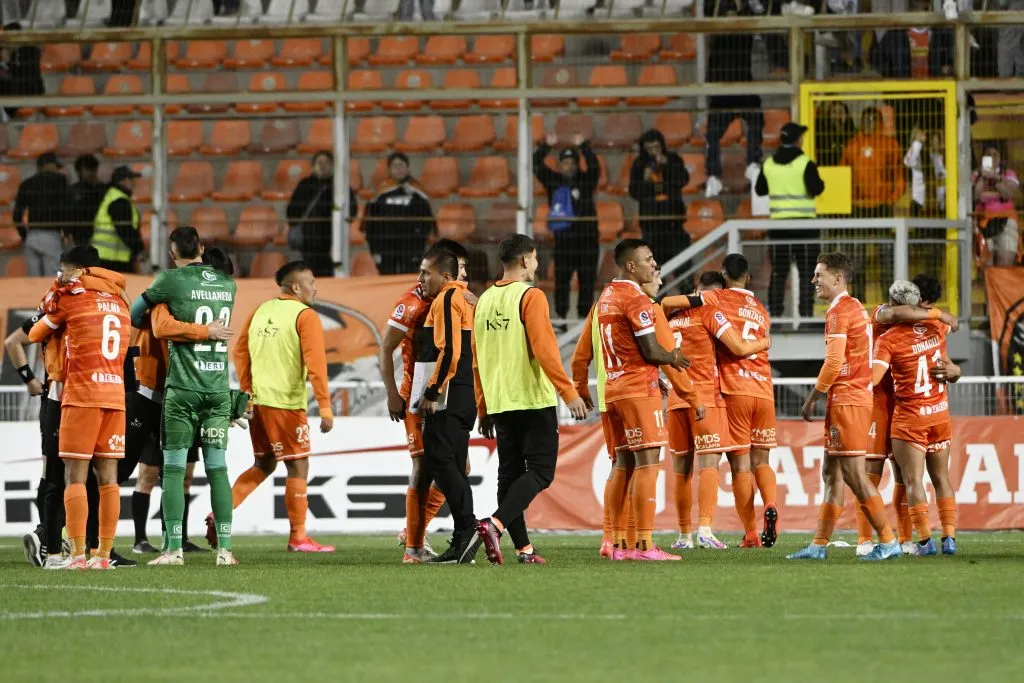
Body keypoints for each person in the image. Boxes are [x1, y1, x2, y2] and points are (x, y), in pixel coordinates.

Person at [473, 235, 588, 565]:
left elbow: (477, 359)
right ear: (525, 261)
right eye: (536, 259)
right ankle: (494, 524)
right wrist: (568, 393)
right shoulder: (530, 296)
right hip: (531, 399)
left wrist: (483, 405)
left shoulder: (483, 302)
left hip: (499, 401)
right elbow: (545, 350)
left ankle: (523, 549)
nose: (537, 265)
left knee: (509, 477)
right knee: (540, 472)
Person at [131, 226, 239, 567]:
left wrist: (159, 306)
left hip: (183, 390)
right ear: (203, 248)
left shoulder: (170, 280)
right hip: (218, 390)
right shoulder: (228, 285)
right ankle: (224, 550)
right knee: (218, 469)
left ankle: (173, 550)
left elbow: (136, 313)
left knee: (174, 471)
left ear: (171, 253)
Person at [788, 252, 901, 561]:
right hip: (848, 398)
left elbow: (835, 361)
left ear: (837, 279)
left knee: (853, 474)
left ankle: (889, 541)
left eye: (818, 275)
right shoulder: (855, 308)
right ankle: (819, 545)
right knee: (831, 473)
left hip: (849, 399)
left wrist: (813, 396)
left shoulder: (840, 311)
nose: (813, 281)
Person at [662, 254, 779, 547]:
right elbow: (739, 347)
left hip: (686, 396)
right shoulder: (747, 310)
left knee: (682, 469)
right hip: (735, 392)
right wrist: (765, 343)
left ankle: (684, 535)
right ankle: (716, 527)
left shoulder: (679, 314)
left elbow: (662, 308)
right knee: (733, 463)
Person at [28, 250, 131, 570]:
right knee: (109, 480)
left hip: (81, 395)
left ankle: (77, 556)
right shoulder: (121, 301)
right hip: (115, 397)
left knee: (74, 476)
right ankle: (103, 555)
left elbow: (33, 334)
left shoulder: (72, 299)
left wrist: (60, 287)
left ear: (74, 270)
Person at [222, 261, 335, 553]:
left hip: (257, 402)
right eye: (311, 281)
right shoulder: (305, 315)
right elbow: (316, 363)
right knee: (298, 466)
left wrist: (247, 391)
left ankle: (220, 515)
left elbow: (239, 350)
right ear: (296, 287)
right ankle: (298, 537)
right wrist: (325, 406)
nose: (315, 287)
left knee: (264, 464)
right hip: (285, 403)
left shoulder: (261, 310)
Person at [380, 239, 472, 563]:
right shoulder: (413, 303)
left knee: (459, 466)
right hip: (417, 396)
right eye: (458, 270)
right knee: (423, 466)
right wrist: (393, 394)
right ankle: (413, 548)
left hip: (443, 393)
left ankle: (415, 532)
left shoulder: (453, 299)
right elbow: (385, 347)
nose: (463, 277)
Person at [598, 239, 689, 561]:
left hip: (613, 389)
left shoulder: (607, 295)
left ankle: (618, 542)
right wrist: (673, 357)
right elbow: (651, 351)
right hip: (638, 391)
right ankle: (644, 545)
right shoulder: (636, 298)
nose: (654, 264)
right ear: (631, 265)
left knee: (623, 464)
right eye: (648, 259)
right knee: (649, 465)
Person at [855, 278, 958, 556]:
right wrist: (939, 314)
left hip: (902, 403)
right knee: (871, 471)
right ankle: (865, 540)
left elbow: (873, 375)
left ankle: (908, 539)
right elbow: (899, 313)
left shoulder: (892, 338)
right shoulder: (883, 313)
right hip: (881, 402)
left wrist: (955, 371)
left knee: (905, 477)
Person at [413, 248, 479, 564]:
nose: (421, 278)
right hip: (462, 391)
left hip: (450, 393)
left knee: (440, 459)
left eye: (426, 272)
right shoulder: (460, 298)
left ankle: (468, 528)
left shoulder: (449, 299)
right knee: (453, 463)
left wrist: (432, 390)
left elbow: (450, 350)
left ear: (446, 276)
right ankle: (464, 536)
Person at [755, 122, 826, 320]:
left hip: (779, 228)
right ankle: (805, 316)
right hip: (805, 228)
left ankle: (775, 317)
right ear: (798, 140)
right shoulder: (805, 162)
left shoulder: (769, 163)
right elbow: (816, 188)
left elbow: (760, 190)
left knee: (779, 273)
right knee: (807, 273)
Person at [533, 132, 600, 322]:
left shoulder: (586, 181)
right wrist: (546, 146)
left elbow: (595, 167)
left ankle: (582, 321)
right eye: (565, 163)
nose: (569, 166)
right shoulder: (553, 181)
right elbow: (535, 164)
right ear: (560, 164)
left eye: (572, 162)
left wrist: (584, 148)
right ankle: (561, 320)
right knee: (561, 282)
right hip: (563, 242)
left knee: (586, 282)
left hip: (588, 241)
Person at [839, 107, 904, 297]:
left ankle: (888, 298)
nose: (869, 123)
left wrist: (891, 198)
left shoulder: (889, 144)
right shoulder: (852, 144)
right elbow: (844, 173)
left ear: (879, 122)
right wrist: (848, 200)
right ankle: (858, 297)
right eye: (866, 119)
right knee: (857, 256)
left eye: (874, 119)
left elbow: (898, 174)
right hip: (858, 207)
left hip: (881, 207)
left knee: (886, 254)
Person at [703, 0, 763, 199]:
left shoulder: (743, 33)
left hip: (743, 87)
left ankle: (753, 162)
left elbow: (750, 12)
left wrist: (739, 6)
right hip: (721, 91)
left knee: (756, 117)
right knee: (712, 133)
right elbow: (708, 11)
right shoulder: (717, 33)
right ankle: (713, 176)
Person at [363, 152, 437, 276]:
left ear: (408, 168)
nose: (398, 169)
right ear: (389, 170)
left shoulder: (418, 192)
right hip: (386, 246)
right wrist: (374, 248)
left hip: (411, 246)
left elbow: (427, 220)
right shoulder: (380, 193)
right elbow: (371, 223)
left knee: (408, 280)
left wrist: (419, 241)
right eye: (394, 166)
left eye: (401, 165)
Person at [286, 151, 356, 278]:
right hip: (308, 240)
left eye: (326, 163)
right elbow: (292, 209)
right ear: (313, 166)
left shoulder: (340, 186)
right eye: (320, 162)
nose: (323, 166)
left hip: (332, 239)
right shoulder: (304, 185)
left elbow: (352, 209)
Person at [628, 129, 690, 270]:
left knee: (684, 269)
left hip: (674, 224)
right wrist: (644, 179)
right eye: (649, 148)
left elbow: (683, 180)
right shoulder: (639, 164)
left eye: (656, 147)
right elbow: (634, 192)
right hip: (651, 226)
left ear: (662, 145)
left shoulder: (673, 159)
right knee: (654, 272)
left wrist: (667, 165)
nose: (653, 151)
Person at [13, 152, 69, 276]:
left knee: (33, 280)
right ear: (51, 165)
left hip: (32, 236)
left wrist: (25, 236)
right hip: (51, 235)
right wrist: (67, 232)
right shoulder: (60, 180)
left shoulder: (26, 184)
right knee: (51, 281)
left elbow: (17, 216)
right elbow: (66, 208)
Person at [972, 144, 1020, 267]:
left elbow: (1007, 194)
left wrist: (995, 178)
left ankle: (1002, 286)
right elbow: (977, 196)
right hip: (983, 221)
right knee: (986, 263)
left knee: (1005, 261)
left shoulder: (1008, 173)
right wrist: (983, 177)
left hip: (1006, 220)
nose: (992, 158)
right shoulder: (976, 175)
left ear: (1001, 157)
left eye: (995, 154)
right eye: (988, 154)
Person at [91, 165, 144, 274]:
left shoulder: (112, 196)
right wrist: (138, 248)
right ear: (124, 180)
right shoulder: (119, 201)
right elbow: (125, 230)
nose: (134, 183)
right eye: (131, 179)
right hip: (114, 260)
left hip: (105, 257)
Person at [68, 154, 106, 246]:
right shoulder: (73, 190)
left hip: (101, 234)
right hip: (80, 235)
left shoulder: (104, 189)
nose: (91, 173)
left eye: (92, 169)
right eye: (88, 169)